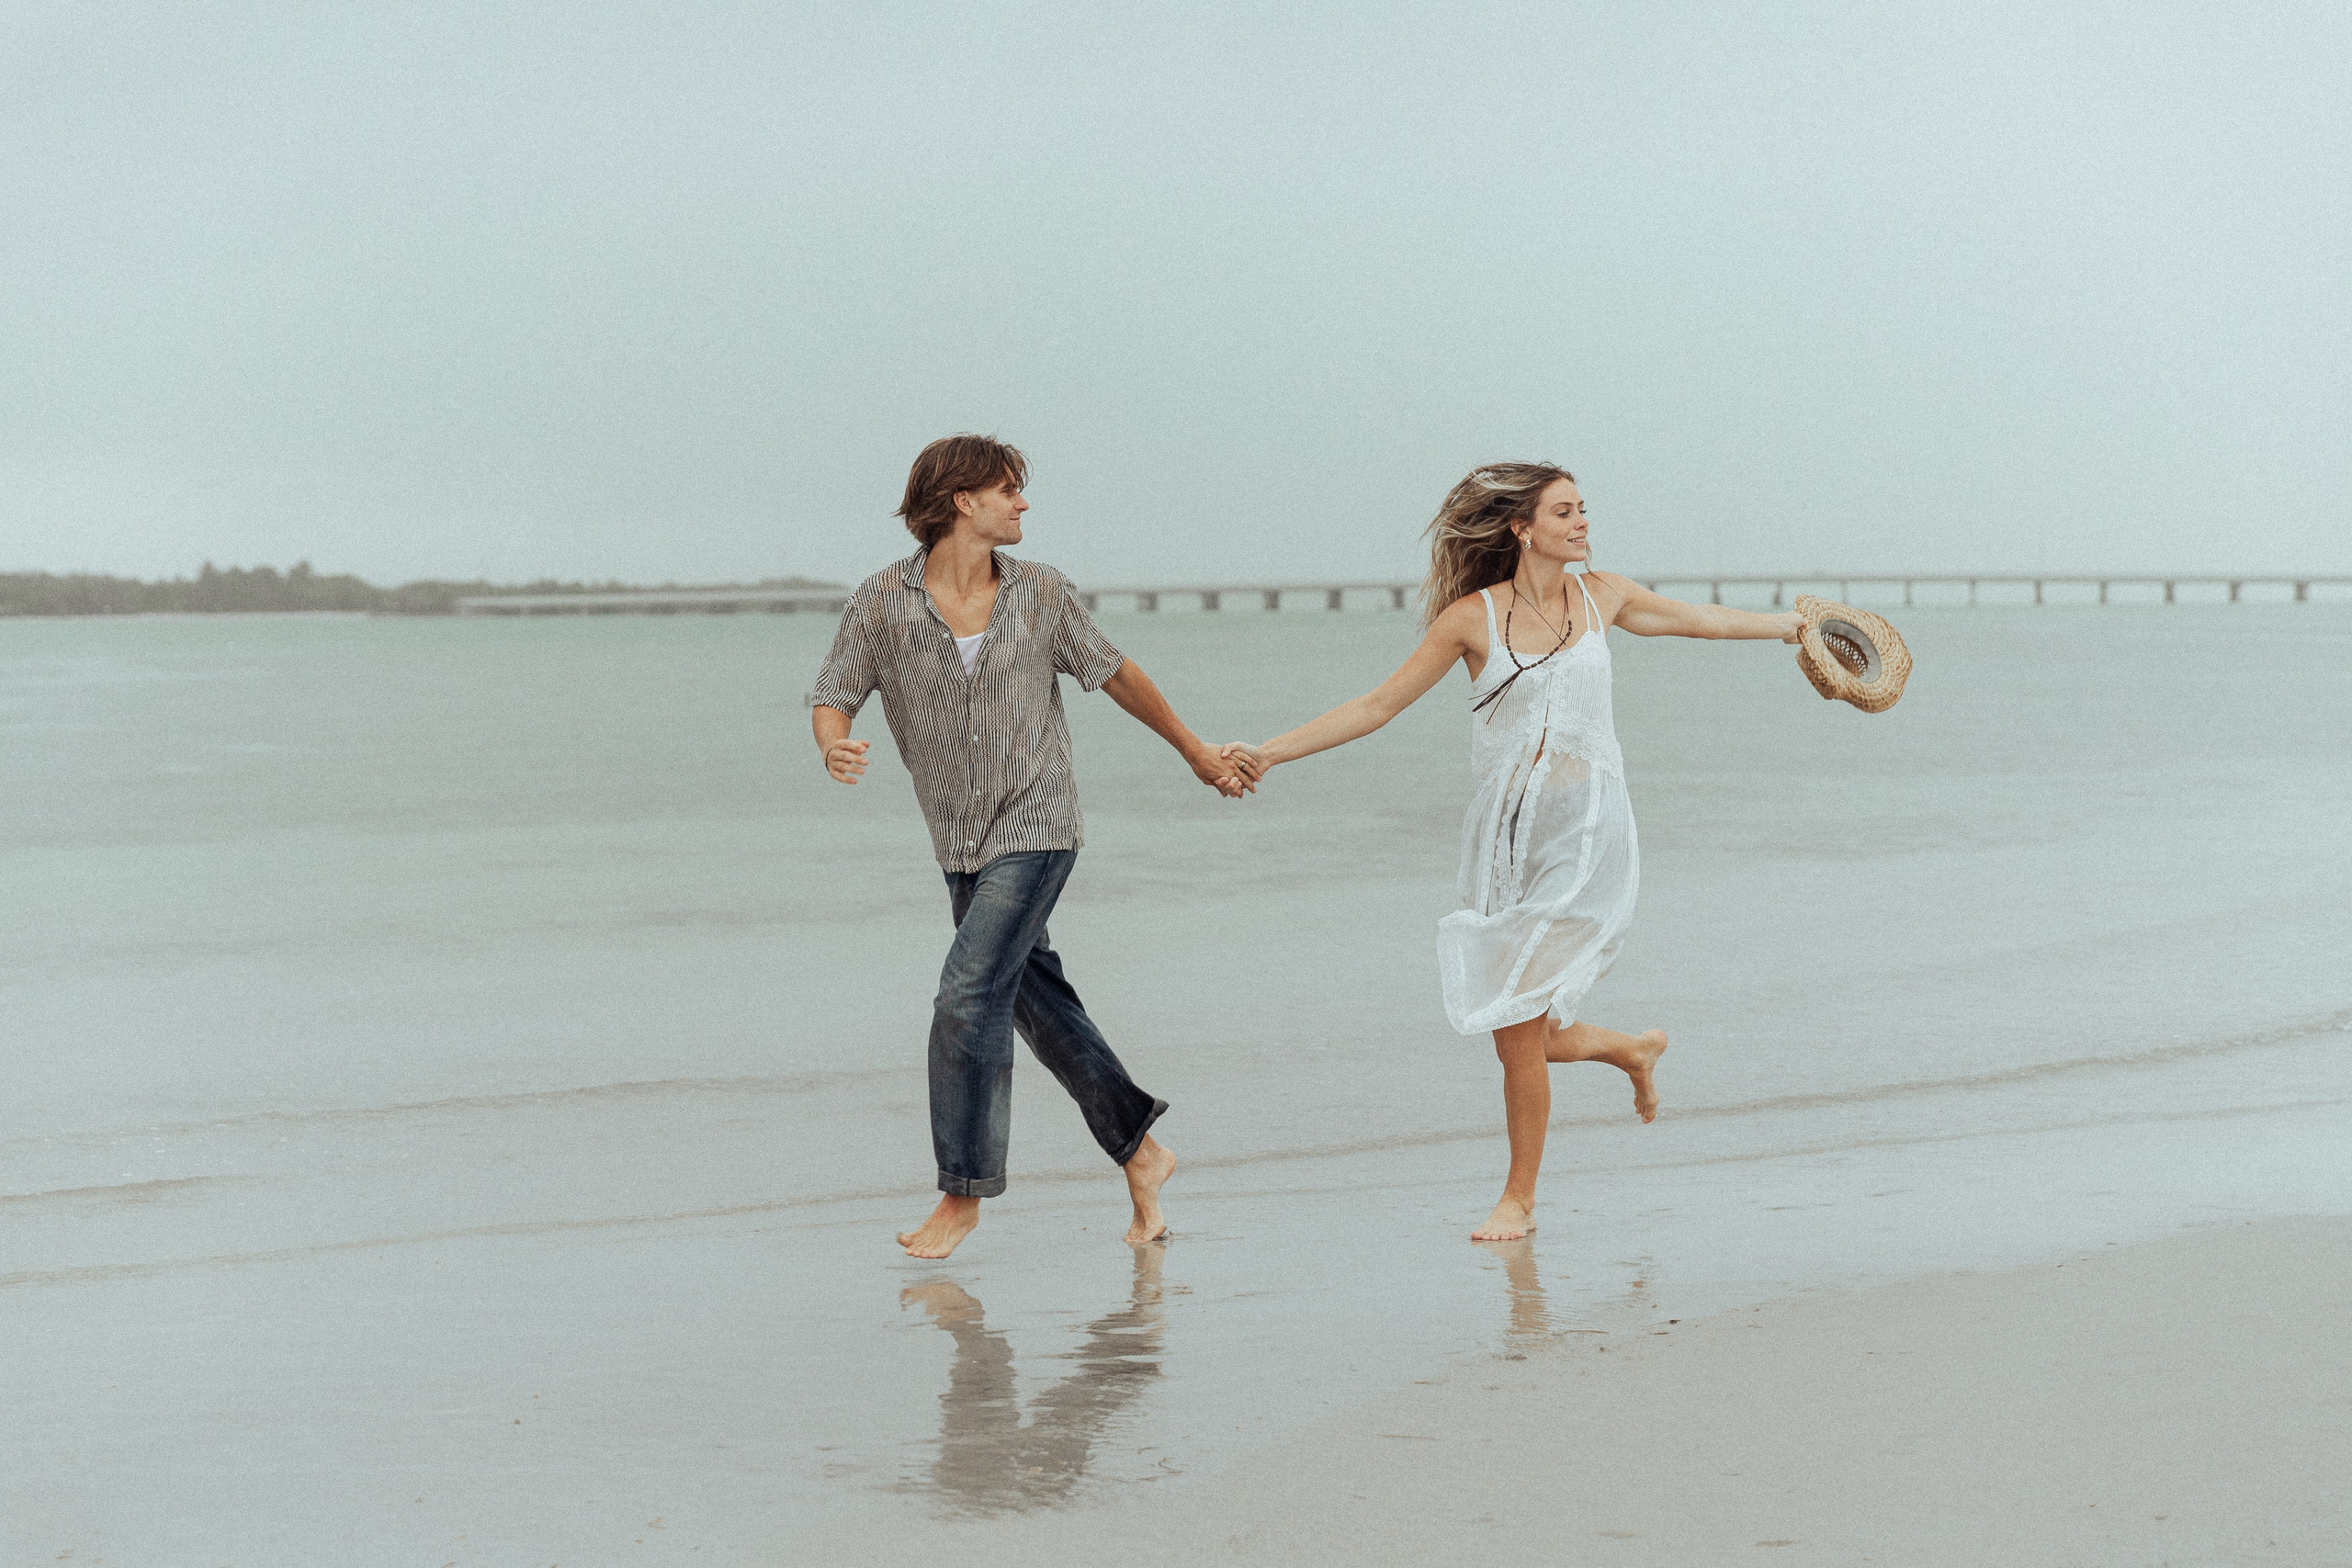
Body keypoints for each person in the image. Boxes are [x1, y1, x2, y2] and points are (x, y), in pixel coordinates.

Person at [1222, 463, 1800, 1241]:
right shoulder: (1473, 619)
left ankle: (1519, 1198)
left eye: (1583, 509)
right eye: (1564, 512)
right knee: (1518, 1029)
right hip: (1505, 842)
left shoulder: (1607, 596)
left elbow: (1704, 618)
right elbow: (1377, 704)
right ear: (1522, 528)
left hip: (1589, 835)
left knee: (1520, 1020)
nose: (1581, 522)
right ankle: (1630, 1049)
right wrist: (1270, 752)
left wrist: (1797, 626)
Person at [810, 434, 1252, 1260]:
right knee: (1034, 1003)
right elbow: (835, 692)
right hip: (959, 837)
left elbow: (1116, 671)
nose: (1023, 504)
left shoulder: (1042, 593)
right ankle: (1141, 1148)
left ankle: (962, 1191)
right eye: (1009, 490)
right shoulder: (881, 602)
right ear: (960, 502)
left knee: (965, 994)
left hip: (1039, 824)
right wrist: (831, 743)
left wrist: (1194, 751)